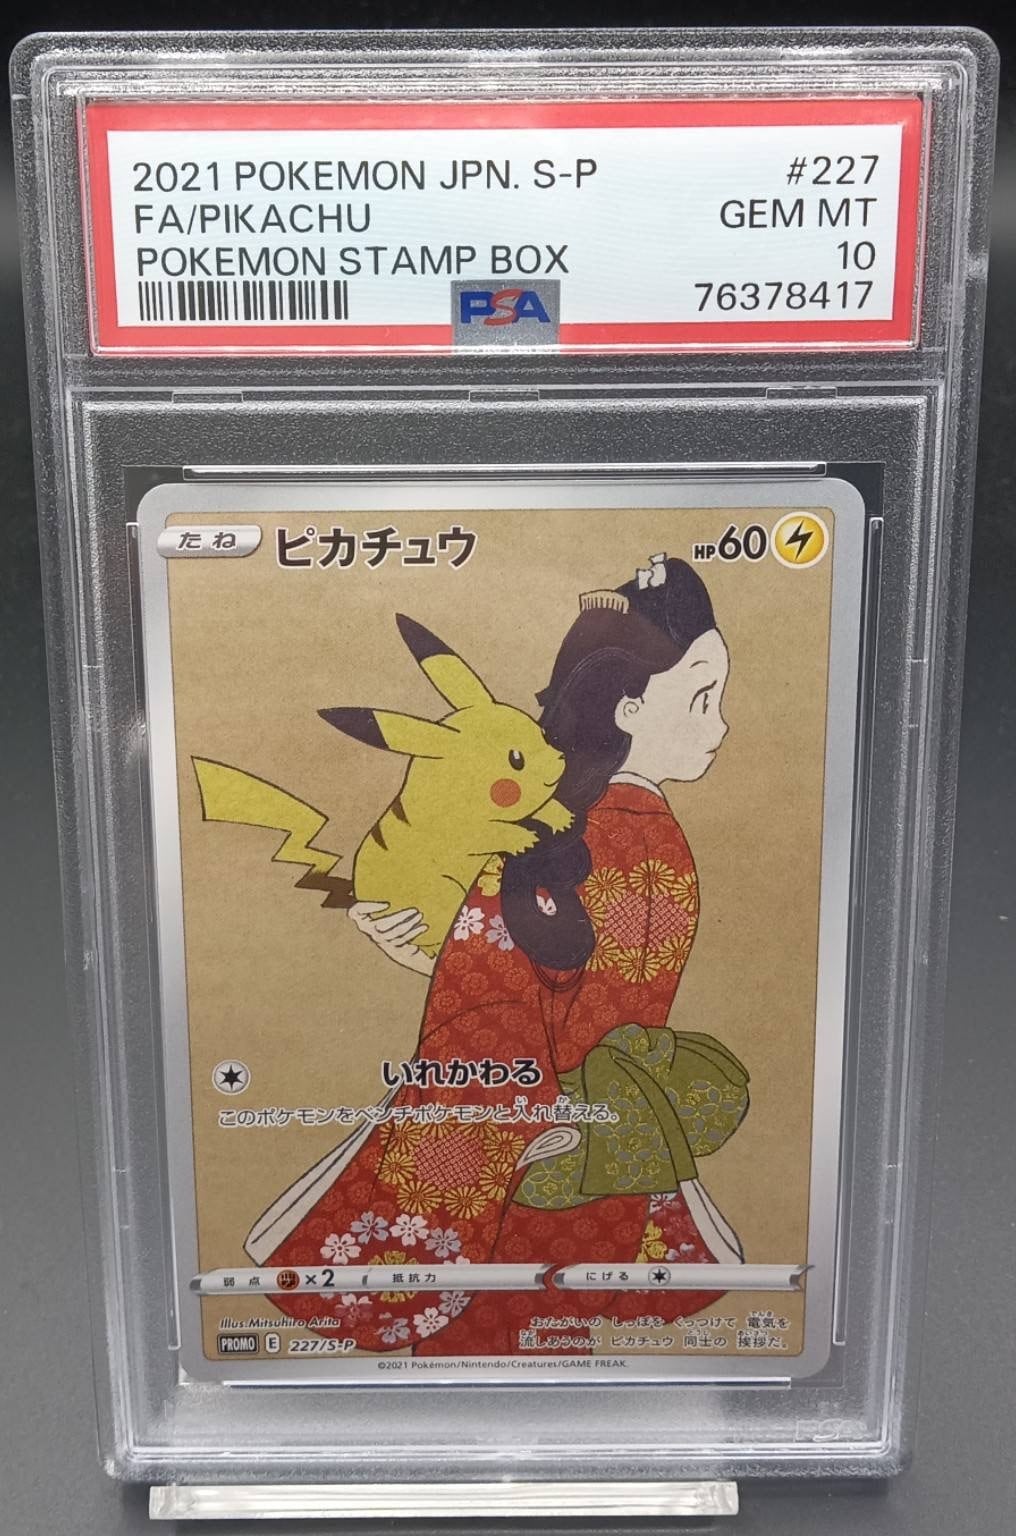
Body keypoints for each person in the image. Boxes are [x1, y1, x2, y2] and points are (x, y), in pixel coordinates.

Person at [247, 555, 749, 1355]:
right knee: (549, 1341)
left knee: (490, 1347)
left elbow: (506, 1000)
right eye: (701, 698)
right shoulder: (640, 838)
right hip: (608, 1139)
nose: (720, 725)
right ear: (627, 708)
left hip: (533, 1142)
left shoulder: (565, 840)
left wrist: (495, 1083)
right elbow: (575, 980)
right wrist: (439, 953)